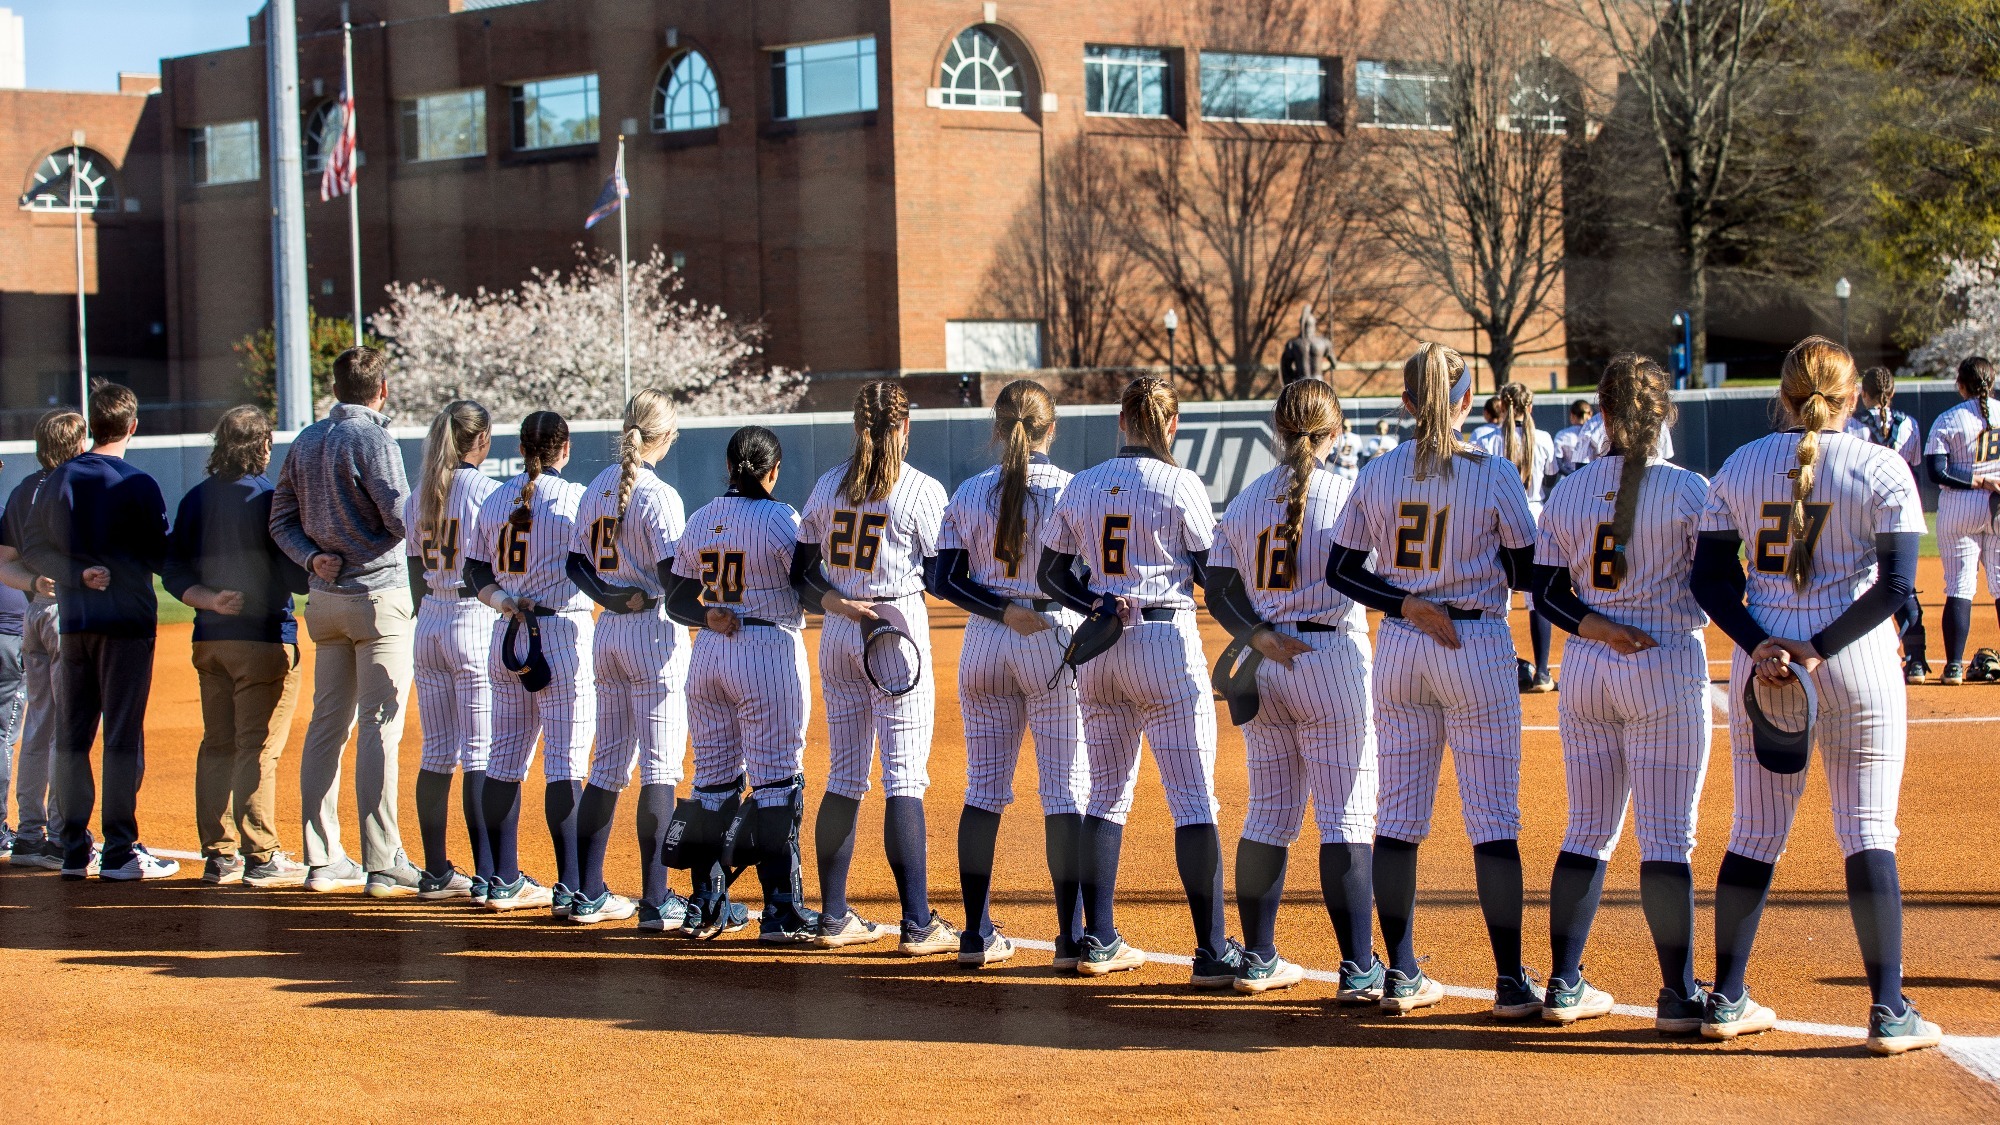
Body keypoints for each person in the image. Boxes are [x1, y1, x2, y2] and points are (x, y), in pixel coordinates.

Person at [1691, 336, 1938, 1054]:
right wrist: (1819, 647)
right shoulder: (1881, 464)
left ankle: (1727, 996)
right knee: (1867, 829)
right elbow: (1895, 585)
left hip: (1762, 660)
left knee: (1754, 832)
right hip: (1851, 660)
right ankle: (1889, 1008)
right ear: (1852, 395)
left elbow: (1709, 579)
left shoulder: (1740, 464)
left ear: (1785, 396)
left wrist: (1759, 641)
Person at [1325, 343, 1542, 1018]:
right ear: (1467, 400)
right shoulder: (1493, 470)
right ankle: (1510, 980)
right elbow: (1529, 570)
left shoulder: (1379, 471)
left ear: (1409, 402)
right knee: (1493, 819)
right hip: (1473, 639)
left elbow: (1340, 568)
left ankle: (1401, 971)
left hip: (1401, 643)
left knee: (1397, 817)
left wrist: (1404, 600)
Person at [1530, 354, 1712, 1030]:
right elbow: (1718, 584)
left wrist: (1597, 621)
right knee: (1666, 837)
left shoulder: (1571, 491)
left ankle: (1565, 982)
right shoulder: (1690, 488)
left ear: (1600, 414)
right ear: (1663, 413)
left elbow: (1546, 593)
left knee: (1587, 828)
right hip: (1663, 660)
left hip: (1586, 663)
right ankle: (1676, 993)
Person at [1039, 376, 1236, 983]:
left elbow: (1050, 574)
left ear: (1121, 421)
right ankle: (1211, 951)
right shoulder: (1180, 483)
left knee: (1104, 792)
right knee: (1193, 797)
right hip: (1164, 638)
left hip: (1102, 642)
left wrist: (1096, 604)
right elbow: (1212, 573)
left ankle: (1096, 937)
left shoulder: (1083, 483)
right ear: (1170, 425)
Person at [1205, 379, 1380, 997]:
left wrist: (1255, 634)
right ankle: (1359, 968)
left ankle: (1257, 957)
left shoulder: (1249, 498)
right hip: (1330, 654)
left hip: (1264, 659)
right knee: (1346, 816)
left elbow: (1217, 589)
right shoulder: (1350, 494)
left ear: (1279, 431)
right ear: (1336, 432)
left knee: (1270, 812)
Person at [926, 380, 1088, 968]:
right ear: (1053, 427)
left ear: (998, 428)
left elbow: (941, 579)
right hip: (1052, 637)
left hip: (986, 644)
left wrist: (999, 610)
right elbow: (1085, 579)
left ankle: (973, 933)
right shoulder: (1072, 491)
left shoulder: (969, 491)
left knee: (982, 790)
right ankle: (1071, 939)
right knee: (1063, 791)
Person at [798, 381, 958, 956]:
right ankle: (917, 923)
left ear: (855, 426)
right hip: (895, 629)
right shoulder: (919, 490)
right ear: (906, 427)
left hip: (840, 627)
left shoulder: (827, 485)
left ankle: (833, 915)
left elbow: (801, 573)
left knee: (843, 776)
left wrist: (839, 603)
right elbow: (942, 576)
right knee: (904, 779)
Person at [269, 346, 419, 895]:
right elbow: (399, 515)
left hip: (324, 599)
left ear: (336, 387)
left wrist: (312, 557)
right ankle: (383, 862)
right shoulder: (374, 437)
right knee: (380, 726)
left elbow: (280, 518)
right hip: (376, 596)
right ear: (382, 389)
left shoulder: (306, 439)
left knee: (326, 725)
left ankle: (323, 858)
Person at [666, 426, 821, 941]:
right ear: (772, 471)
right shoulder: (781, 518)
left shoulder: (702, 516)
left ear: (728, 465)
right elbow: (809, 589)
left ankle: (706, 903)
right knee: (777, 781)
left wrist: (708, 614)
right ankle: (781, 909)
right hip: (766, 650)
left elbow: (675, 599)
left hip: (708, 656)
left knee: (711, 780)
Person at [21, 384, 178, 881]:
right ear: (132, 425)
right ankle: (118, 850)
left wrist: (77, 574)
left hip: (77, 625)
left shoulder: (58, 478)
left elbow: (36, 551)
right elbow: (160, 556)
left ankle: (72, 849)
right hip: (127, 625)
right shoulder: (137, 482)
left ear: (93, 425)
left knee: (72, 735)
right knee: (121, 737)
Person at [161, 405, 311, 888]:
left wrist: (209, 600)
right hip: (263, 639)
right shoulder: (270, 499)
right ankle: (262, 855)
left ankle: (219, 855)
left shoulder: (196, 499)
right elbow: (297, 577)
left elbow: (173, 570)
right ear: (262, 446)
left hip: (210, 640)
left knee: (217, 746)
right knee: (257, 749)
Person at [566, 390, 689, 927]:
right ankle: (655, 899)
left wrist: (611, 597)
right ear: (665, 437)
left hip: (608, 631)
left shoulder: (595, 489)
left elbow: (575, 565)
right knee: (660, 766)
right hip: (654, 632)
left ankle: (588, 891)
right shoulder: (658, 496)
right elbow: (673, 579)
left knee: (607, 764)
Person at [464, 411, 594, 916]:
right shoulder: (577, 498)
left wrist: (502, 600)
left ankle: (500, 878)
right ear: (565, 448)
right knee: (563, 764)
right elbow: (591, 565)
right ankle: (571, 887)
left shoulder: (496, 497)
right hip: (560, 631)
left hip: (508, 633)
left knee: (504, 759)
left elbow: (475, 568)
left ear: (521, 448)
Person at [403, 401, 500, 903]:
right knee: (479, 753)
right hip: (473, 615)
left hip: (432, 618)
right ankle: (488, 875)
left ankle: (436, 871)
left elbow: (414, 567)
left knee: (438, 752)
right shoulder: (485, 491)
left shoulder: (419, 491)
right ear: (479, 440)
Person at [1, 411, 85, 869]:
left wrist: (34, 585)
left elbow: (4, 564)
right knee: (66, 727)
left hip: (33, 613)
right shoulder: (73, 486)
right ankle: (57, 835)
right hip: (64, 613)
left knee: (38, 725)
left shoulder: (22, 490)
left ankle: (29, 835)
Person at [1471, 382, 1558, 693]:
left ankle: (1503, 669)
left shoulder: (1484, 436)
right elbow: (1550, 472)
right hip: (1535, 513)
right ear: (1530, 407)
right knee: (1536, 597)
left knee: (1499, 596)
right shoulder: (1545, 438)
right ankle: (1543, 673)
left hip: (1495, 516)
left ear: (1502, 405)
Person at [1846, 367, 1928, 683]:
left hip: (1862, 509)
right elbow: (1914, 471)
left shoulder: (1852, 425)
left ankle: (1854, 658)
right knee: (1901, 584)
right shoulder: (1910, 424)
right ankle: (1917, 659)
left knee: (1858, 581)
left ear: (1862, 394)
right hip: (1899, 511)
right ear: (1891, 393)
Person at [1922, 355, 1999, 686]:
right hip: (1998, 505)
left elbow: (1936, 472)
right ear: (1992, 383)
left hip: (1960, 507)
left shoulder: (1948, 419)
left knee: (1959, 587)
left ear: (1960, 384)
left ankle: (1953, 666)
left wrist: (1976, 481)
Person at [1552, 400, 1595, 478]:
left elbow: (1558, 465)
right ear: (1590, 414)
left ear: (1572, 415)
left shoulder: (1562, 435)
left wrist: (1574, 476)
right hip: (1593, 479)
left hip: (1568, 480)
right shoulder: (1597, 434)